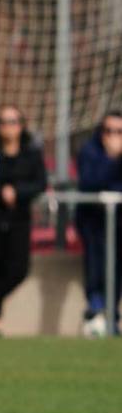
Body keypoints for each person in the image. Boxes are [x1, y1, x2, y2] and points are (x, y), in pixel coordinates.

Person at [0, 104, 47, 336]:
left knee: (18, 270)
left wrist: (17, 192)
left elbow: (40, 183)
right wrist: (0, 192)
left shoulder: (31, 152)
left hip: (19, 218)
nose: (8, 128)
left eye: (13, 122)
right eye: (3, 122)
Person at [75, 110, 122, 337]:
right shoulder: (90, 151)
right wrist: (111, 159)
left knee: (117, 272)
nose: (112, 136)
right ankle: (95, 313)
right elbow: (90, 182)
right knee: (95, 269)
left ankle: (112, 318)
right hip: (93, 223)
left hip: (119, 223)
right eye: (108, 131)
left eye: (119, 132)